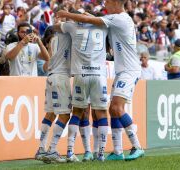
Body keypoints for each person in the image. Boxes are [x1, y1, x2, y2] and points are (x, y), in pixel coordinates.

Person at [57, 0, 144, 161]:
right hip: (122, 70)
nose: (105, 6)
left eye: (108, 2)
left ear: (116, 3)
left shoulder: (120, 19)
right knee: (112, 110)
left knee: (117, 108)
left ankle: (137, 146)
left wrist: (66, 14)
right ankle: (118, 151)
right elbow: (94, 18)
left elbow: (92, 20)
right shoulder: (117, 18)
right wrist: (85, 15)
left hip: (129, 70)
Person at [55, 12, 109, 162]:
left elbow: (54, 27)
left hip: (81, 74)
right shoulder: (104, 26)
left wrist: (67, 20)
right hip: (99, 75)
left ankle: (70, 151)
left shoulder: (72, 27)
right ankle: (101, 154)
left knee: (78, 112)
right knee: (102, 113)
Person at [35, 25, 72, 163]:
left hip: (50, 77)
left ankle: (41, 149)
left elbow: (47, 64)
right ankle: (52, 150)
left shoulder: (52, 41)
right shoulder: (68, 37)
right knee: (65, 115)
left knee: (50, 114)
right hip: (61, 78)